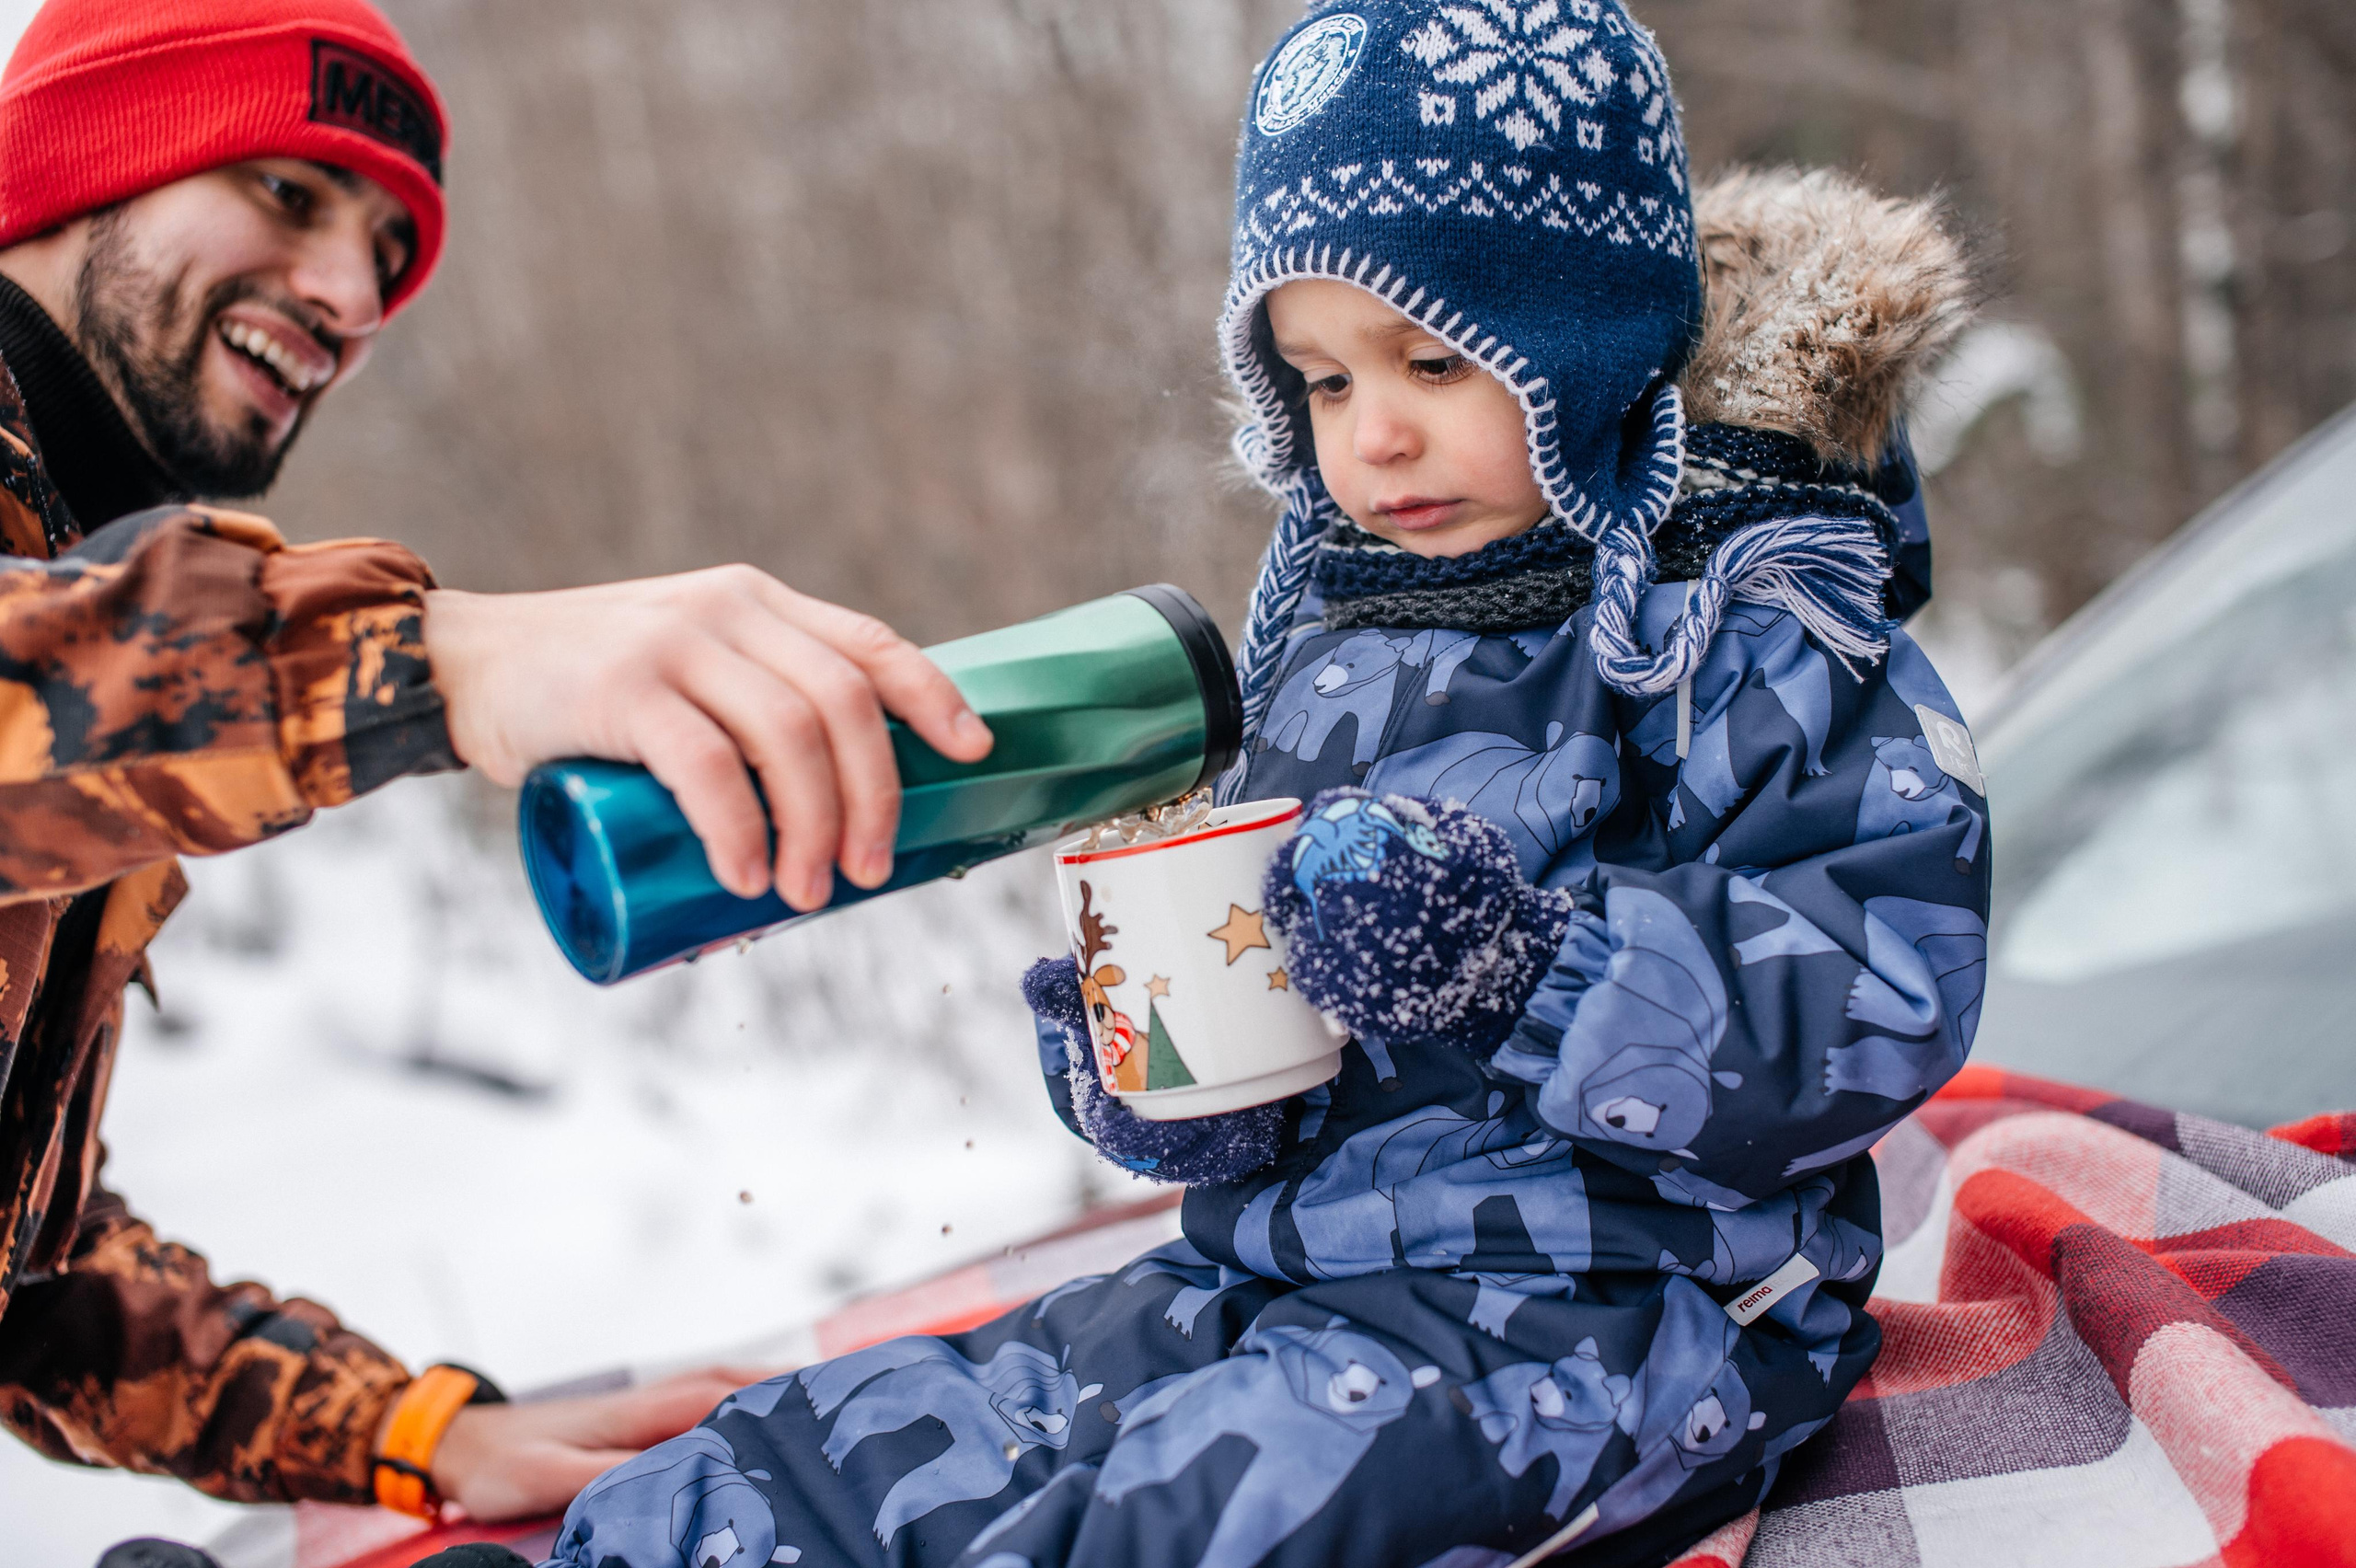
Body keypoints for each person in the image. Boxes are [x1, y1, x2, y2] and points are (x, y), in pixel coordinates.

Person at [541, 5, 1989, 1566]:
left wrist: (1521, 974)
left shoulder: (1743, 619)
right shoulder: (1333, 623)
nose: (1374, 433)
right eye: (1318, 378)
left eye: (1435, 359)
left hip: (1619, 1314)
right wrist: (1173, 1071)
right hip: (1276, 1280)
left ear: (1583, 336)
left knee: (1174, 1525)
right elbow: (1295, 1009)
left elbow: (1887, 997)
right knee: (803, 1463)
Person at [0, 0, 991, 1535]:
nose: (350, 295)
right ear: (83, 162)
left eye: (386, 254)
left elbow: (31, 1289)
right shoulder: (96, 649)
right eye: (289, 191)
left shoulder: (92, 598)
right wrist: (435, 659)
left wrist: (408, 1432)